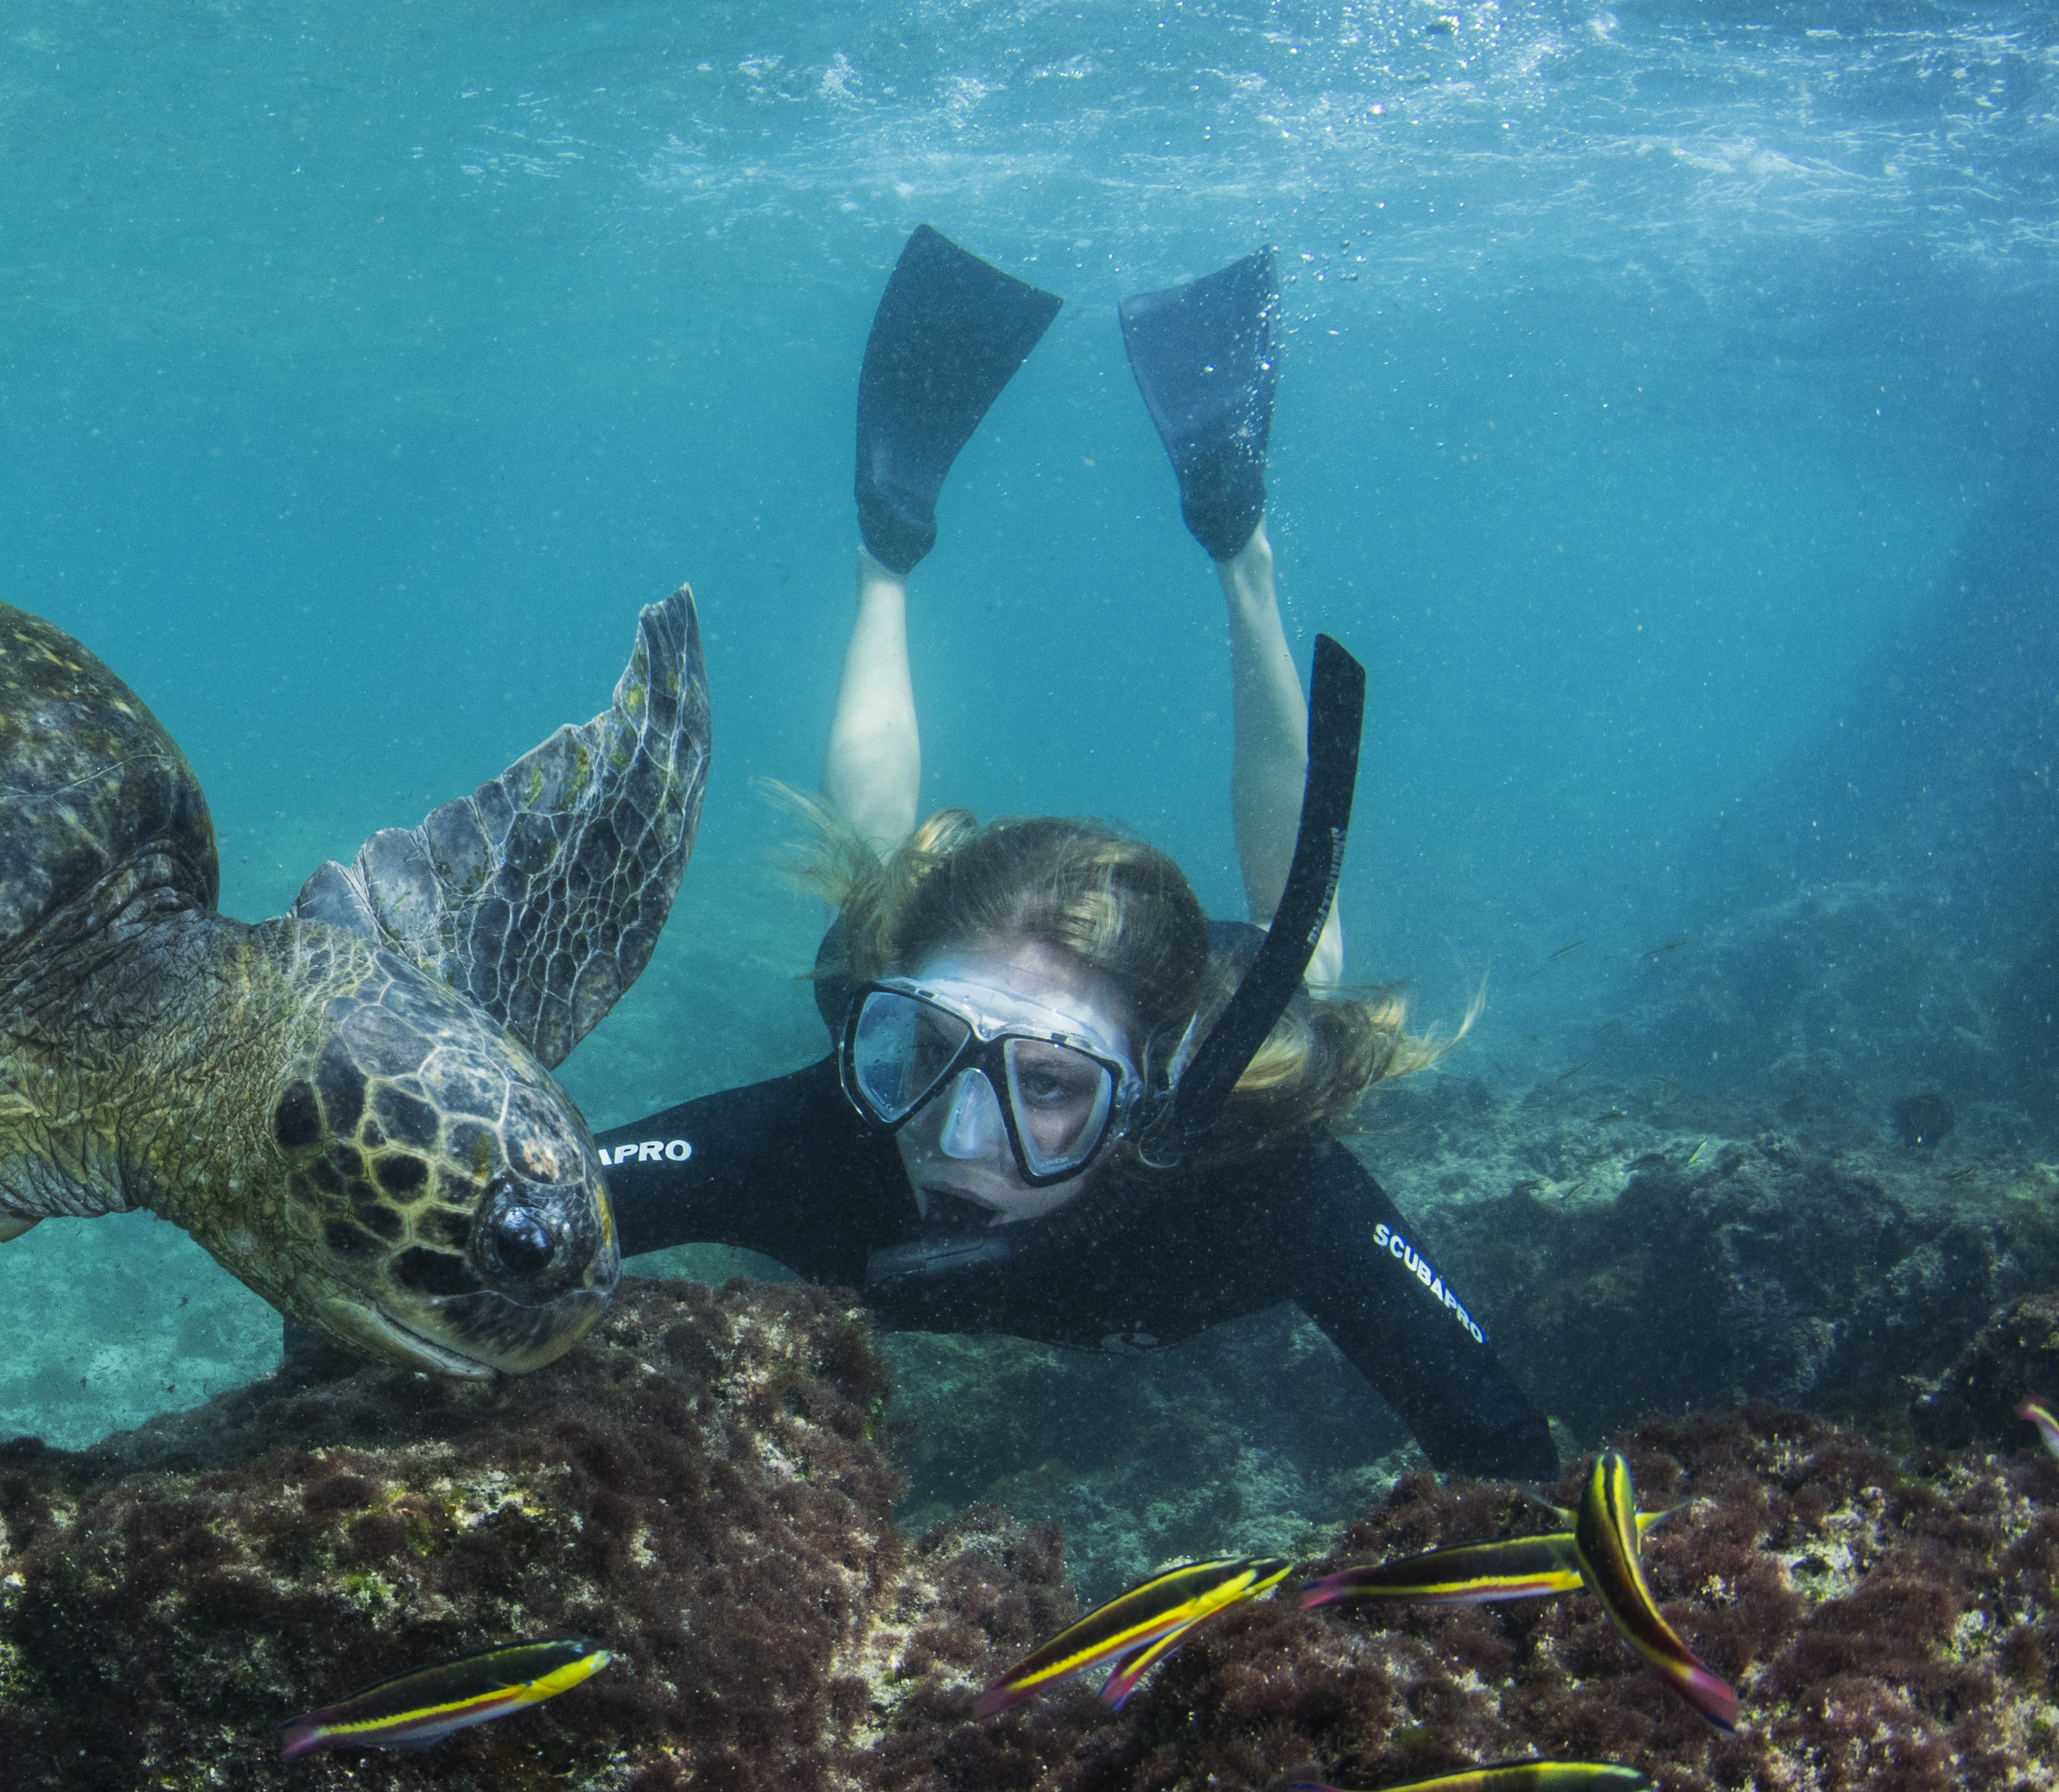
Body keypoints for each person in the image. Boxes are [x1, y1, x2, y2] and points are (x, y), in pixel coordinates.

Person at [589, 227, 1555, 1481]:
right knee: (876, 880)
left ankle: (1238, 546)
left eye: (1050, 1087)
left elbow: (1505, 1452)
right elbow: (512, 1206)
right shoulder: (829, 1130)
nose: (958, 1141)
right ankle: (888, 539)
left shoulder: (1258, 1190)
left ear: (1147, 1098)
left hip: (1207, 1031)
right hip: (926, 950)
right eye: (928, 1054)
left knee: (1298, 968)